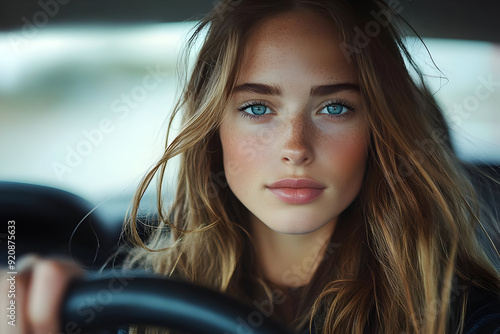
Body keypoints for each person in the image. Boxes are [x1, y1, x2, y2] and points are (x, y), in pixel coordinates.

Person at [2, 0, 500, 333]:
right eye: (258, 109)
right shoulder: (132, 296)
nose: (295, 147)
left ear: (380, 132)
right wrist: (18, 310)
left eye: (335, 108)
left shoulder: (466, 314)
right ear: (213, 132)